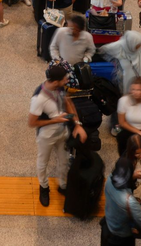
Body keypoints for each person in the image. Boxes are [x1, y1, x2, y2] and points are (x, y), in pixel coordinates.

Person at [28, 64, 87, 207]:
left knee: (64, 160)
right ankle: (44, 187)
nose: (67, 80)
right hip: (46, 136)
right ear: (56, 81)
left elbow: (68, 103)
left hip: (62, 132)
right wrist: (55, 120)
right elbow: (32, 122)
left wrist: (77, 124)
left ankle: (63, 185)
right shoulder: (39, 98)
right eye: (64, 79)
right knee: (43, 162)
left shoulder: (59, 88)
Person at [102, 157, 141, 245]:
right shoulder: (129, 201)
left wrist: (132, 176)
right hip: (122, 235)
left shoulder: (109, 180)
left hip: (108, 226)